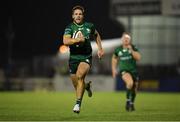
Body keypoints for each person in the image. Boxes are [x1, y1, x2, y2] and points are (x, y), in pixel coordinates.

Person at [63, 5, 104, 113]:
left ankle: (78, 104)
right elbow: (65, 41)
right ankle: (86, 86)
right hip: (73, 58)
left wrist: (100, 48)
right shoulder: (69, 27)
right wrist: (77, 40)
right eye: (76, 14)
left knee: (80, 76)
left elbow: (96, 35)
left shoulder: (89, 26)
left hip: (86, 56)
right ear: (72, 16)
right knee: (77, 84)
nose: (78, 16)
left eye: (80, 14)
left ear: (83, 15)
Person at [111, 32, 141, 111]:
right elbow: (114, 59)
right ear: (122, 39)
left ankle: (132, 103)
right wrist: (114, 70)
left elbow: (138, 58)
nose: (126, 40)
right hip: (124, 71)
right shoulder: (118, 49)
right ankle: (128, 101)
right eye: (124, 38)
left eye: (127, 38)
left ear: (130, 40)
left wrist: (131, 50)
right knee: (130, 83)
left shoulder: (133, 47)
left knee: (134, 89)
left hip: (134, 71)